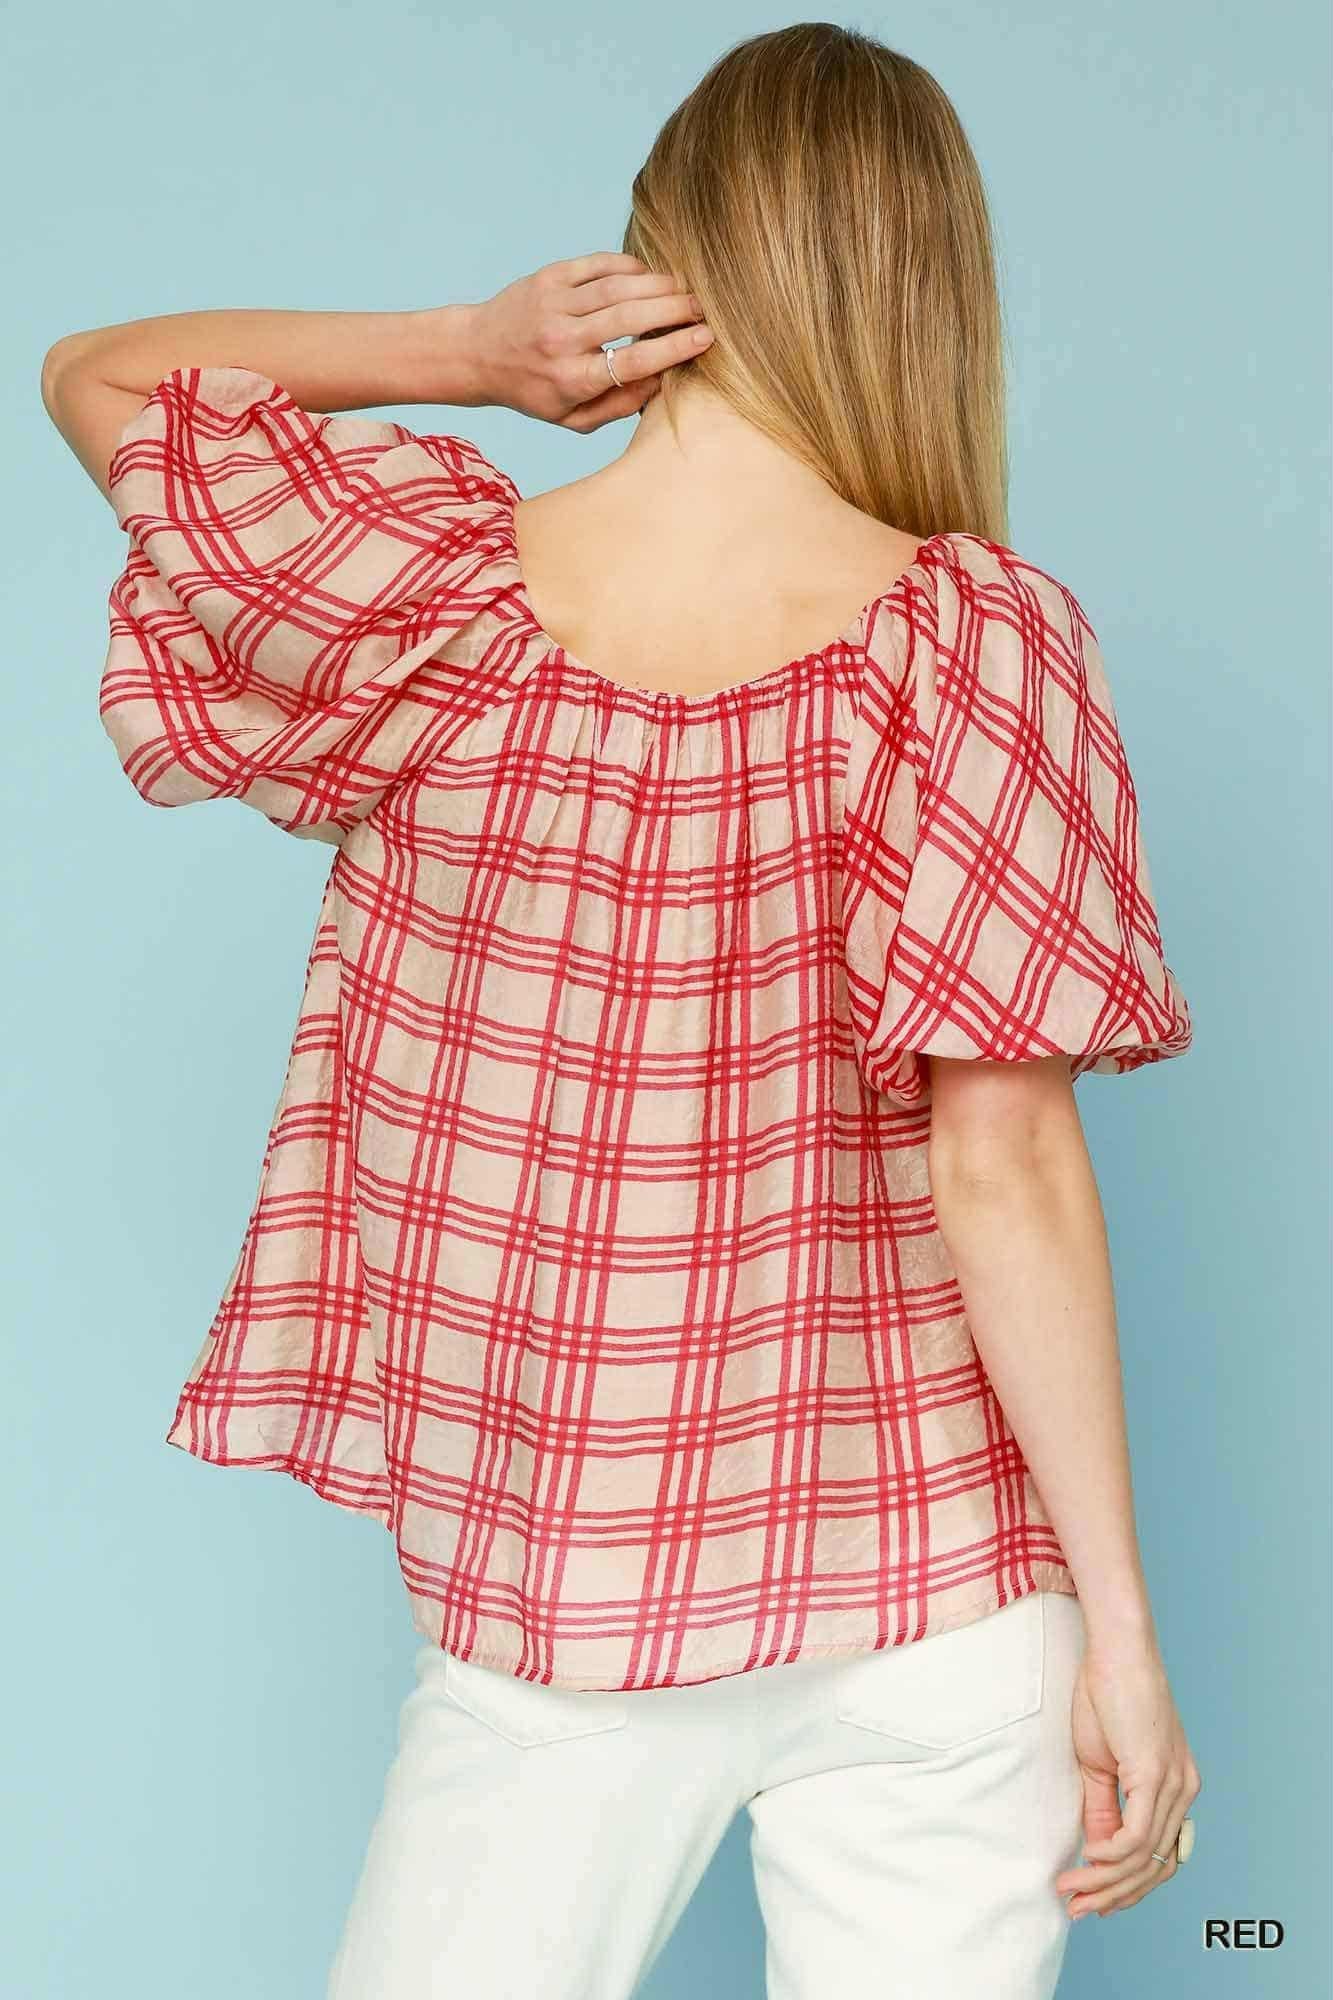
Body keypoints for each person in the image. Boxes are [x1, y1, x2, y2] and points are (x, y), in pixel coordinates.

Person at [43, 22, 1202, 2000]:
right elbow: (1000, 1155)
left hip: (565, 1594)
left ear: (665, 255)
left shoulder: (430, 595)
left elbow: (103, 376)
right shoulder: (980, 644)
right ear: (926, 285)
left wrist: (465, 350)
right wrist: (1119, 1634)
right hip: (936, 1592)